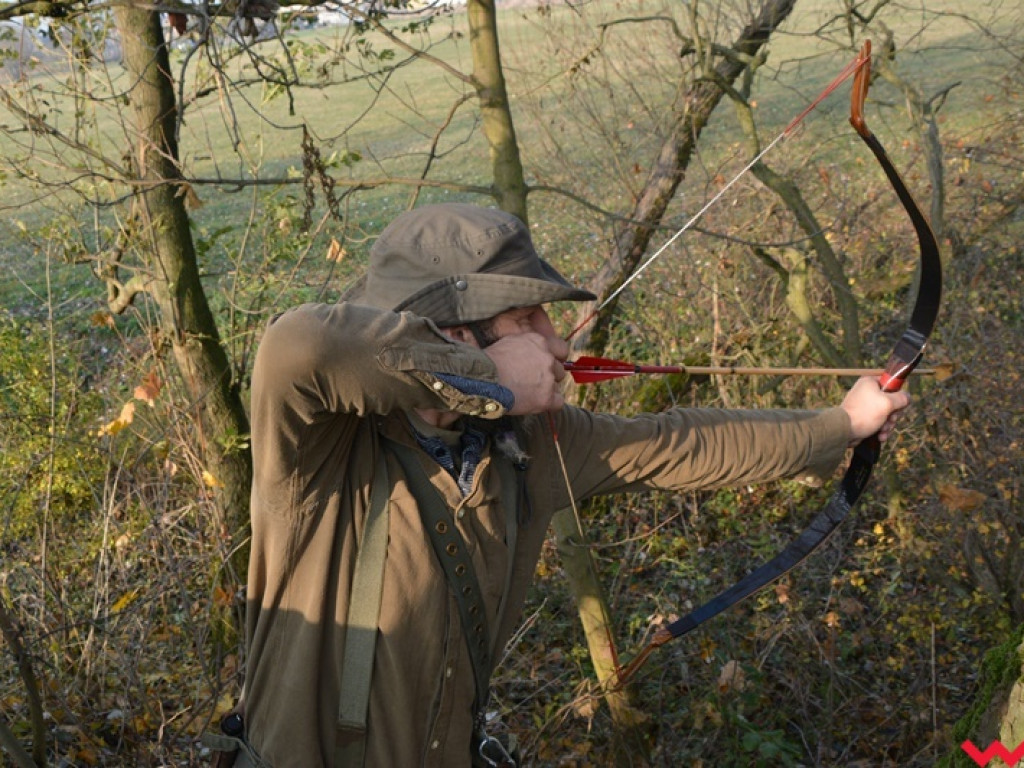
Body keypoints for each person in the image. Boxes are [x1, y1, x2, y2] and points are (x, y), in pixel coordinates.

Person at [221, 203, 909, 767]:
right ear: (456, 333)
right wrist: (484, 378)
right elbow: (299, 346)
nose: (556, 343)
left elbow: (676, 443)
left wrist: (841, 425)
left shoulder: (533, 448)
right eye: (527, 321)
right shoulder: (320, 449)